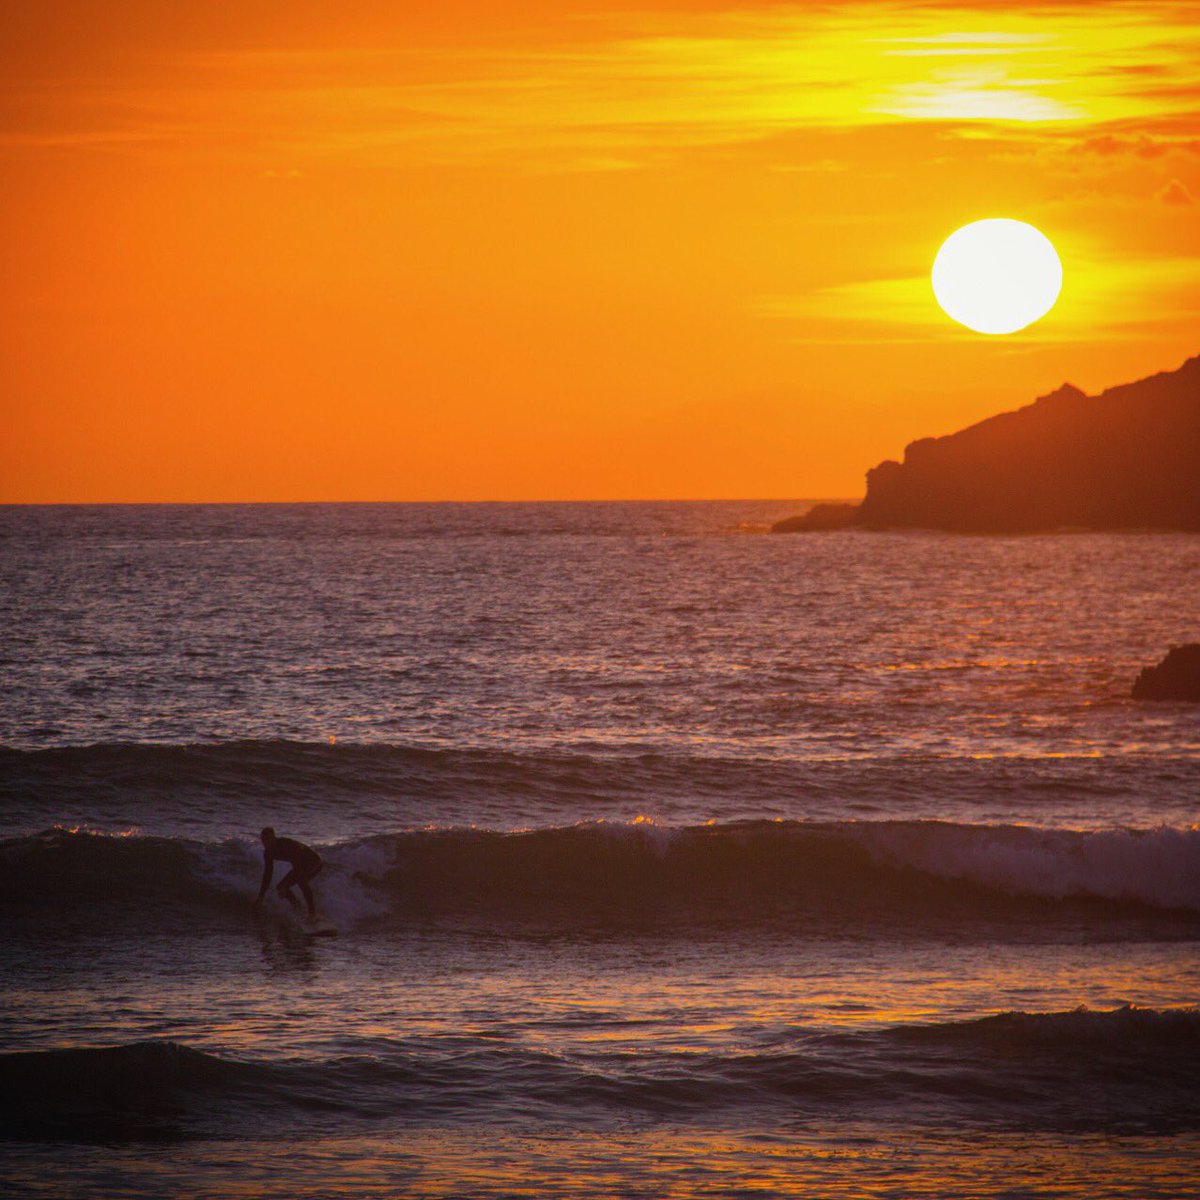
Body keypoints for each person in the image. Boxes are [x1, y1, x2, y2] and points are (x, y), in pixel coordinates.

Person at [254, 827, 322, 921]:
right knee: (280, 887)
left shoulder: (286, 845)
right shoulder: (268, 853)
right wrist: (261, 896)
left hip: (314, 861)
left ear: (274, 838)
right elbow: (268, 874)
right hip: (301, 864)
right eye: (263, 841)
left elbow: (297, 868)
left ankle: (312, 913)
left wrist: (285, 887)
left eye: (268, 840)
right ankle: (298, 907)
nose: (265, 843)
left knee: (301, 880)